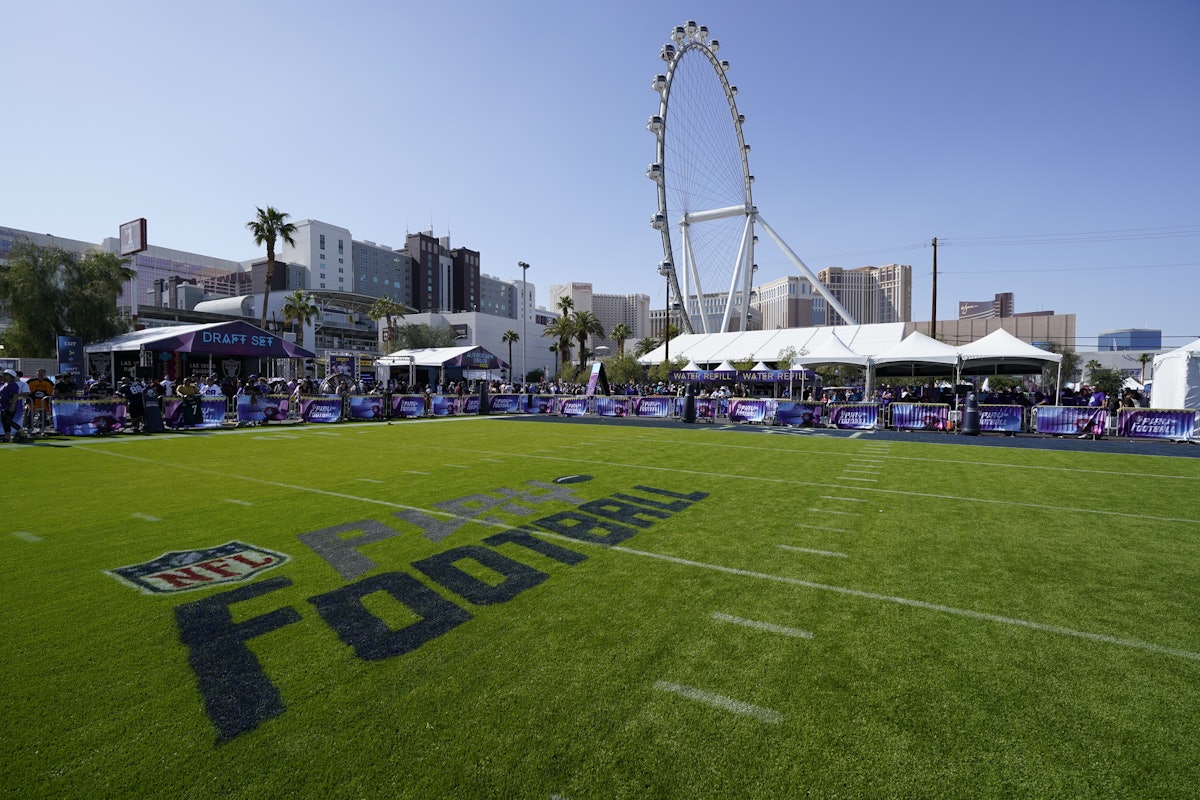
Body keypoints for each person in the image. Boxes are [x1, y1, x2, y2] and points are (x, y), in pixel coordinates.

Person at [26, 368, 55, 435]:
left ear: (45, 374)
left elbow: (51, 392)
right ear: (36, 373)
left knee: (43, 416)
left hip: (43, 402)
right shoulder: (30, 381)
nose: (40, 374)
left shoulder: (49, 382)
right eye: (39, 372)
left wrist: (48, 401)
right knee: (30, 415)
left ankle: (41, 429)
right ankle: (30, 429)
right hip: (33, 401)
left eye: (42, 372)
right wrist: (28, 401)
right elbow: (27, 391)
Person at [1, 369, 22, 442]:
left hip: (9, 405)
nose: (4, 376)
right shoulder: (5, 384)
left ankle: (22, 433)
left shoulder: (13, 385)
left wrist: (12, 406)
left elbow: (15, 395)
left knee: (8, 421)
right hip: (4, 405)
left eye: (6, 375)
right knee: (5, 421)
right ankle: (7, 437)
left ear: (10, 376)